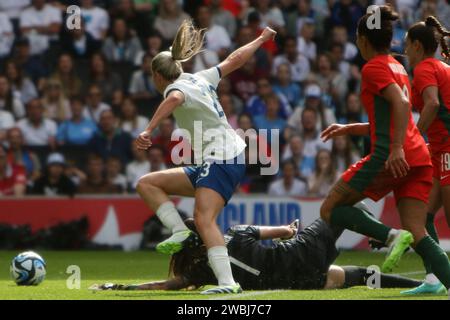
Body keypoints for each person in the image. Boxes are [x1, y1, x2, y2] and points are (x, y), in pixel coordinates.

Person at [135, 19, 276, 295]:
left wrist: (148, 129)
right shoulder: (199, 78)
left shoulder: (175, 89)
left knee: (204, 219)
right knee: (147, 183)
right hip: (220, 158)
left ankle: (227, 283)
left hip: (222, 158)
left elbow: (174, 99)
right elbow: (234, 60)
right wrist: (261, 40)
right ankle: (179, 231)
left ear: (158, 75)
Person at [319, 6, 450, 295]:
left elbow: (402, 106)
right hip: (419, 157)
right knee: (420, 233)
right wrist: (350, 128)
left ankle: (391, 236)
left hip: (389, 158)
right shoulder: (398, 67)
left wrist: (394, 149)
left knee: (330, 208)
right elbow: (392, 118)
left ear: (364, 40)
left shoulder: (374, 67)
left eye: (357, 38)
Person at [92, 206, 424, 292]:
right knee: (339, 208)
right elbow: (284, 230)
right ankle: (386, 237)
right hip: (298, 255)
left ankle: (420, 284)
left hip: (297, 282)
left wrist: (121, 286)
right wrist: (290, 231)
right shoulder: (236, 234)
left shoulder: (200, 271)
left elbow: (163, 285)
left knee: (357, 277)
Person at [400, 16, 450, 295]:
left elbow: (432, 103)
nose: (405, 50)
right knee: (422, 217)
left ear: (418, 46)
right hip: (442, 149)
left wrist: (415, 139)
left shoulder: (424, 70)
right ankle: (433, 279)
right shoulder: (442, 65)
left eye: (407, 45)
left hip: (447, 150)